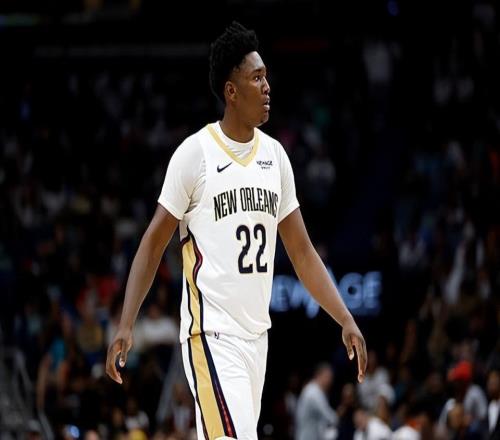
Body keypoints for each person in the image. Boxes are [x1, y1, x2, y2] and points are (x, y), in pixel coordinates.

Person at [106, 21, 367, 440]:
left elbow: (302, 252)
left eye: (266, 77)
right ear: (231, 91)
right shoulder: (195, 154)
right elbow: (153, 242)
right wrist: (126, 322)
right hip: (210, 334)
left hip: (256, 338)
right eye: (257, 78)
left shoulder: (276, 157)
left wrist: (344, 316)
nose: (267, 87)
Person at [295, 363, 338, 440]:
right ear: (318, 375)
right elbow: (330, 416)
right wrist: (340, 418)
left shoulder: (317, 390)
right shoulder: (313, 392)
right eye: (328, 377)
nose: (330, 381)